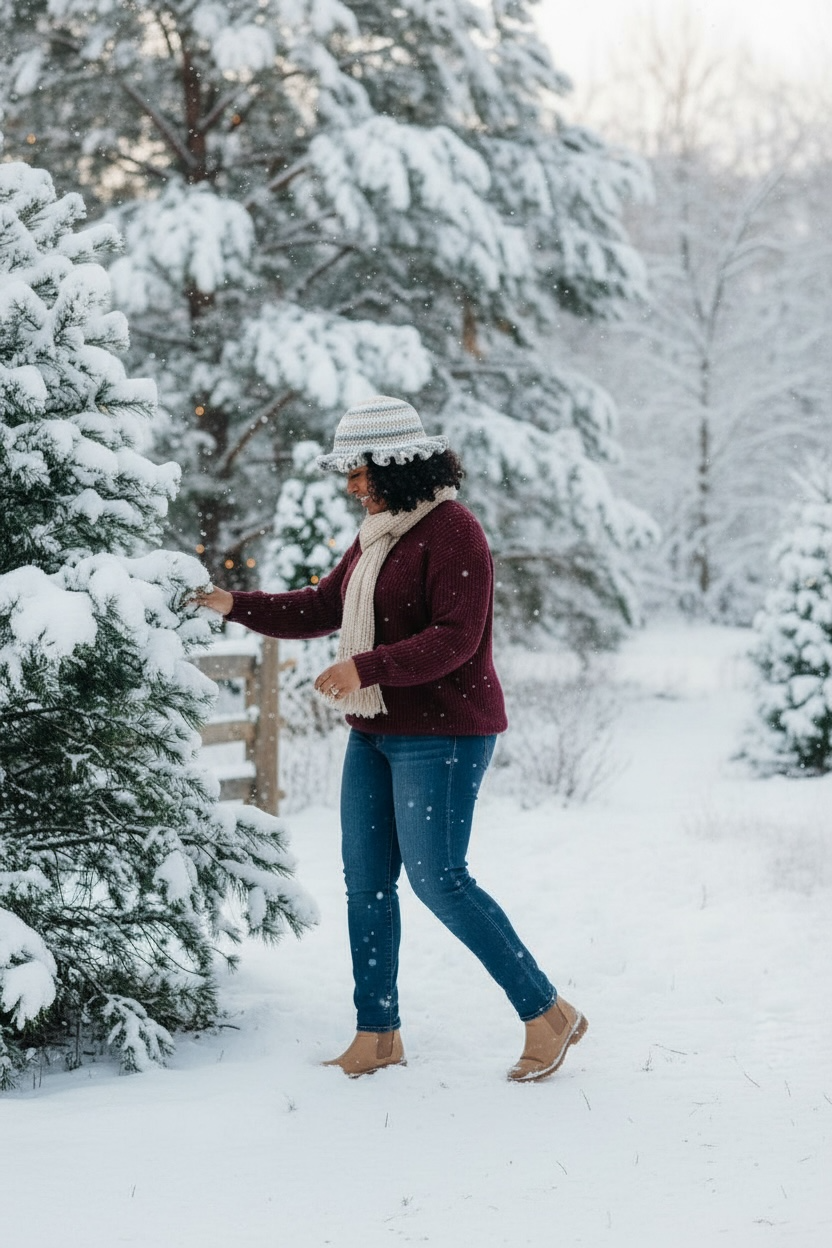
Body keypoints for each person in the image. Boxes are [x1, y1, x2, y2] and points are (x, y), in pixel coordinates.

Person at [193, 395, 587, 1081]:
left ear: (397, 465)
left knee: (441, 880)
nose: (350, 484)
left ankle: (547, 1012)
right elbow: (322, 606)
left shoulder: (454, 531)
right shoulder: (377, 536)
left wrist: (364, 666)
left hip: (444, 733)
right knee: (366, 882)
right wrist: (236, 606)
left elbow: (455, 640)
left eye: (359, 469)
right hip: (375, 732)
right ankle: (377, 1032)